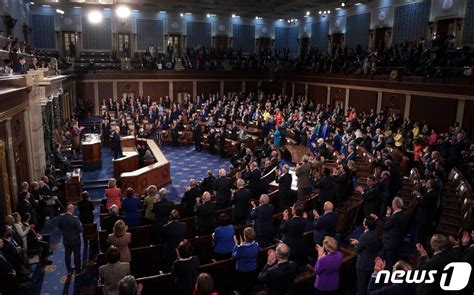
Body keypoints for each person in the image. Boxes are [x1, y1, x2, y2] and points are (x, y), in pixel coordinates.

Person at [350, 215, 381, 295]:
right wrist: (359, 242)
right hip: (371, 263)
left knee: (361, 287)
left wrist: (355, 244)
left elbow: (357, 250)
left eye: (364, 221)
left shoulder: (364, 236)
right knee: (367, 285)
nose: (363, 222)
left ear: (366, 225)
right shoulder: (375, 233)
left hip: (362, 265)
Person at [380, 197, 407, 269]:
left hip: (390, 243)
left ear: (394, 205)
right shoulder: (404, 214)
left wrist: (388, 215)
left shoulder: (395, 217)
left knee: (389, 263)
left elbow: (385, 226)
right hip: (398, 242)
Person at [232, 227, 260, 295]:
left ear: (245, 236)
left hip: (242, 271)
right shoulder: (257, 245)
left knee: (244, 288)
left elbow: (233, 257)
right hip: (253, 269)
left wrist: (236, 245)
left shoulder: (241, 248)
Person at [280, 203, 308, 270]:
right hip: (300, 244)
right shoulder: (304, 220)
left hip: (290, 246)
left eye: (292, 208)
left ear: (294, 211)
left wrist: (284, 219)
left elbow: (281, 230)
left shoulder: (288, 222)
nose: (291, 209)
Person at [58, 203, 83, 275]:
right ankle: (78, 270)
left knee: (67, 255)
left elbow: (60, 228)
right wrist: (80, 225)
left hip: (66, 239)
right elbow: (80, 230)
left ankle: (69, 270)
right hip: (75, 240)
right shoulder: (75, 219)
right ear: (72, 209)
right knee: (77, 255)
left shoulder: (61, 217)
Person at [414, 179, 438, 246]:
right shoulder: (430, 192)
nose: (426, 183)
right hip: (423, 217)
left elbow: (422, 203)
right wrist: (420, 195)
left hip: (424, 218)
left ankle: (420, 248)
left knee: (421, 234)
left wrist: (417, 196)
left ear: (431, 185)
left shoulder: (432, 194)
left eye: (428, 182)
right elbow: (425, 199)